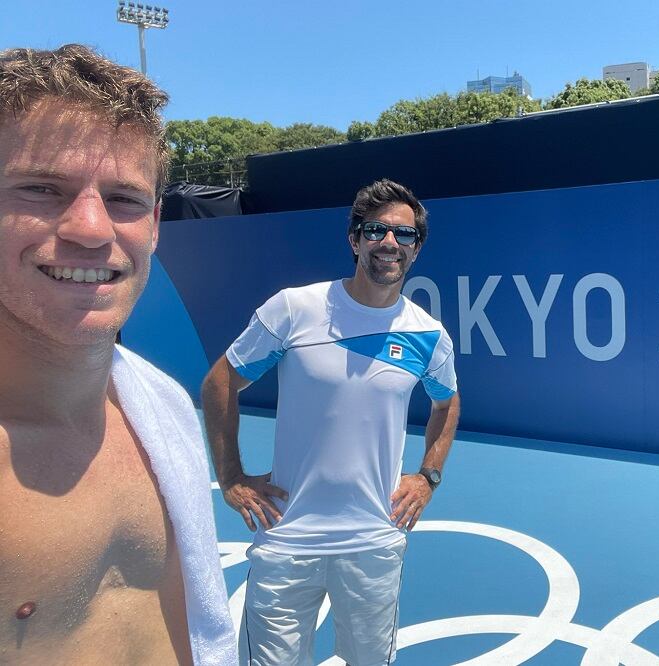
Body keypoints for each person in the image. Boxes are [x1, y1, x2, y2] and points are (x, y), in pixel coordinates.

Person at [0, 45, 237, 664]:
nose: (92, 228)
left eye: (125, 199)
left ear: (156, 224)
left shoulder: (162, 407)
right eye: (41, 188)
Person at [202, 179, 460, 666]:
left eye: (403, 235)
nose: (389, 243)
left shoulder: (428, 333)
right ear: (354, 239)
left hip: (374, 543)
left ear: (416, 249)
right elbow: (220, 382)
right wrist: (231, 476)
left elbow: (447, 404)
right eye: (375, 230)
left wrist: (428, 476)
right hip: (286, 540)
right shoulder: (295, 309)